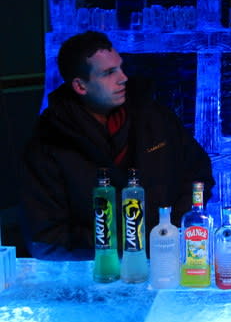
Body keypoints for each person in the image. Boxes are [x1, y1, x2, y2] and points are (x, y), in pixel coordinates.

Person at [20, 31, 214, 260]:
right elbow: (45, 236)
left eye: (121, 67)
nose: (123, 78)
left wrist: (171, 228)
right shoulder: (49, 142)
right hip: (96, 270)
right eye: (109, 73)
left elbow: (197, 175)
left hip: (165, 258)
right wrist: (126, 245)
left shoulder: (155, 119)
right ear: (80, 86)